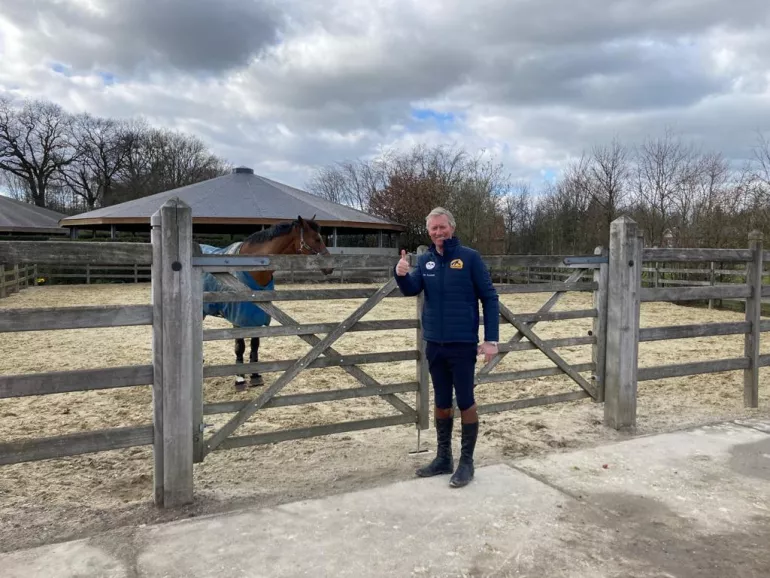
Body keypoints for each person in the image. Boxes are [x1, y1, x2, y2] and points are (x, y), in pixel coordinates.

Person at [394, 207, 499, 487]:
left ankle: (467, 462)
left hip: (463, 344)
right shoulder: (426, 260)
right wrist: (401, 274)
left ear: (451, 227)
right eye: (433, 229)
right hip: (435, 344)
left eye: (442, 227)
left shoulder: (470, 258)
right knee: (441, 402)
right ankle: (444, 458)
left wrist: (491, 340)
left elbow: (489, 297)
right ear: (428, 231)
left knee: (465, 400)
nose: (438, 232)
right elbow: (411, 288)